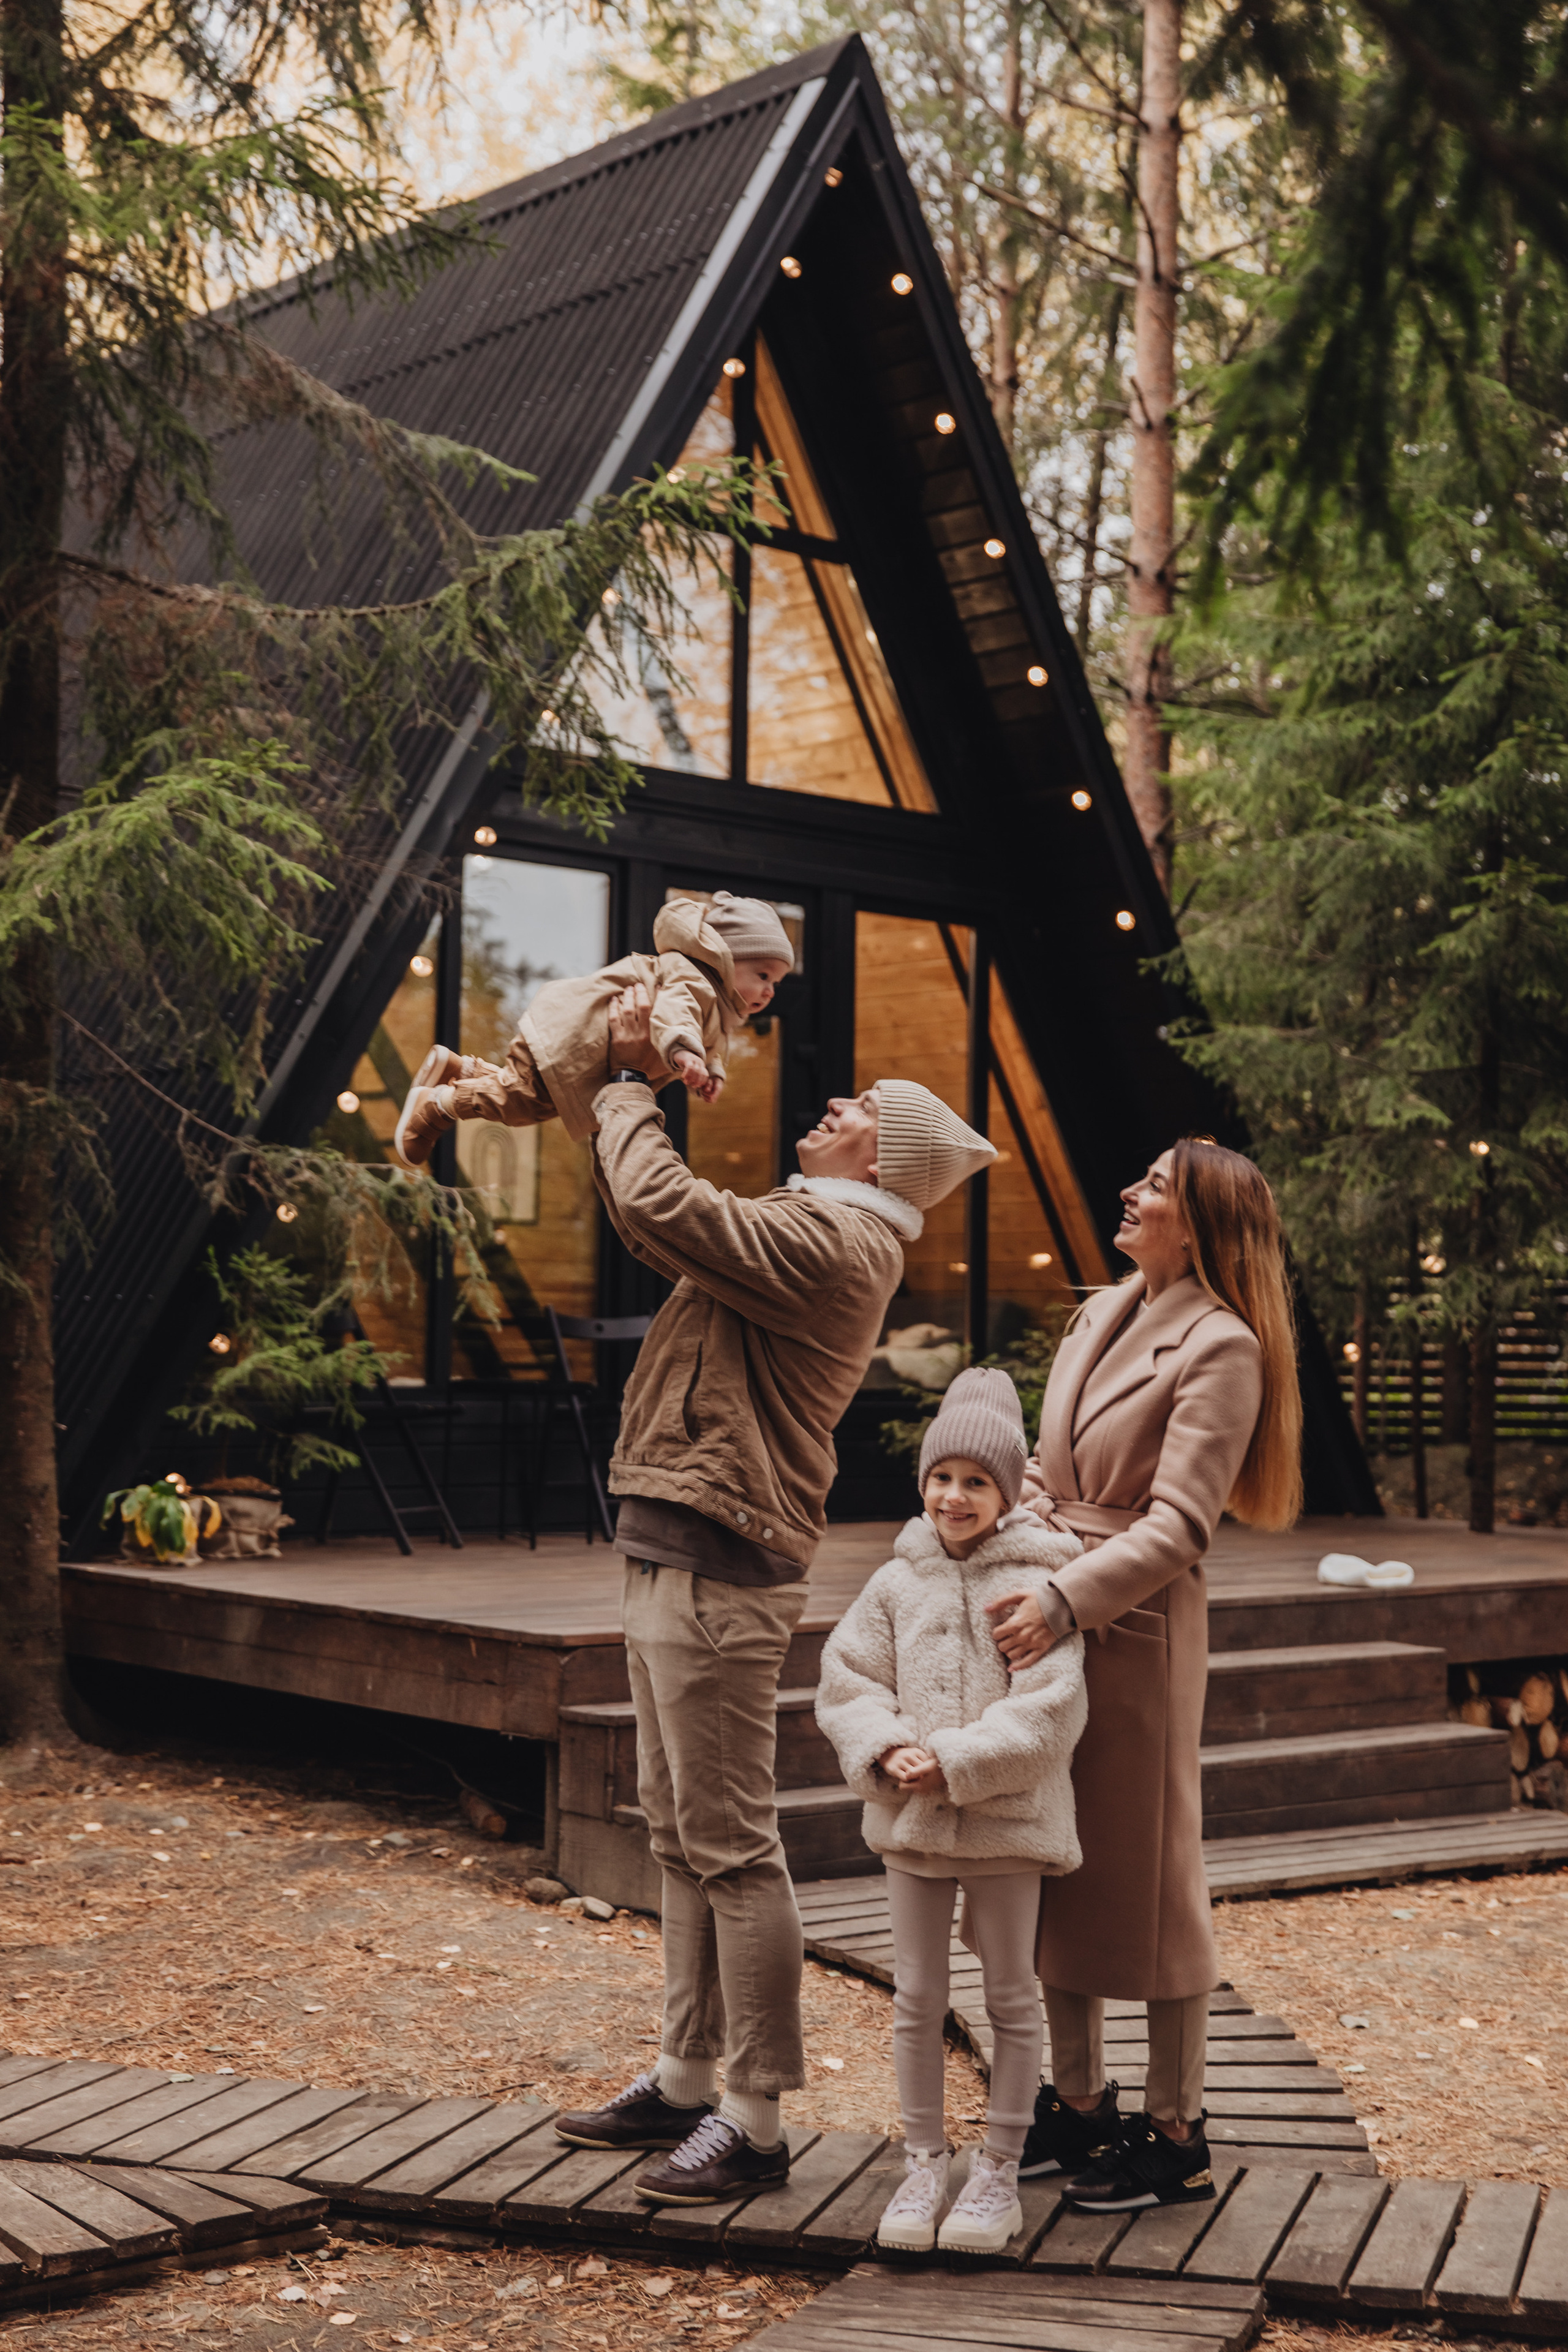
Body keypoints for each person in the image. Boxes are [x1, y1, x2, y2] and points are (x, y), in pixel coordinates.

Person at [554, 998, 997, 2209]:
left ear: (882, 1162)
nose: (834, 1107)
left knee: (731, 1846)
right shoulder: (805, 1223)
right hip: (672, 1545)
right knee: (675, 1830)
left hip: (718, 1567)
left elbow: (658, 1205)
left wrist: (623, 1087)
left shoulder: (838, 1248)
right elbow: (653, 1222)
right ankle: (685, 2075)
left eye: (859, 1111)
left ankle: (752, 2120)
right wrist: (616, 1103)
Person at [987, 1136, 1302, 2212]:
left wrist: (1063, 1595)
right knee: (1057, 1860)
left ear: (1203, 1224)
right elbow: (1047, 1463)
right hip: (1050, 1612)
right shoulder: (1102, 1307)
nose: (1130, 1192)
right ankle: (1080, 2109)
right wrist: (1017, 1527)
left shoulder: (1224, 1347)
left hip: (1136, 1631)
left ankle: (1176, 2129)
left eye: (1156, 1187)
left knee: (1158, 1883)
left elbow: (1179, 1528)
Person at [815, 1368, 1087, 2255]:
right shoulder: (896, 1583)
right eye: (942, 1477)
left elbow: (1051, 1706)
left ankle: (999, 2169)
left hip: (1008, 1821)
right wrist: (887, 1747)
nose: (954, 1495)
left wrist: (960, 1759)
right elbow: (849, 1680)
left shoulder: (1042, 1587)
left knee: (1010, 1993)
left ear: (1009, 1492)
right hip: (913, 1826)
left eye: (976, 1481)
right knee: (917, 1997)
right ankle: (924, 2160)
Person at [391, 890, 794, 1167]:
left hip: (581, 1055)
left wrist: (713, 1072)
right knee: (520, 1104)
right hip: (573, 1042)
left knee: (536, 1101)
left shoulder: (719, 1009)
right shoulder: (691, 977)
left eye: (776, 983)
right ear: (725, 956)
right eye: (763, 975)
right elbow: (676, 1013)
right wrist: (684, 1053)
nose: (770, 991)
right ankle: (437, 1105)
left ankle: (462, 1070)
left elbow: (711, 1042)